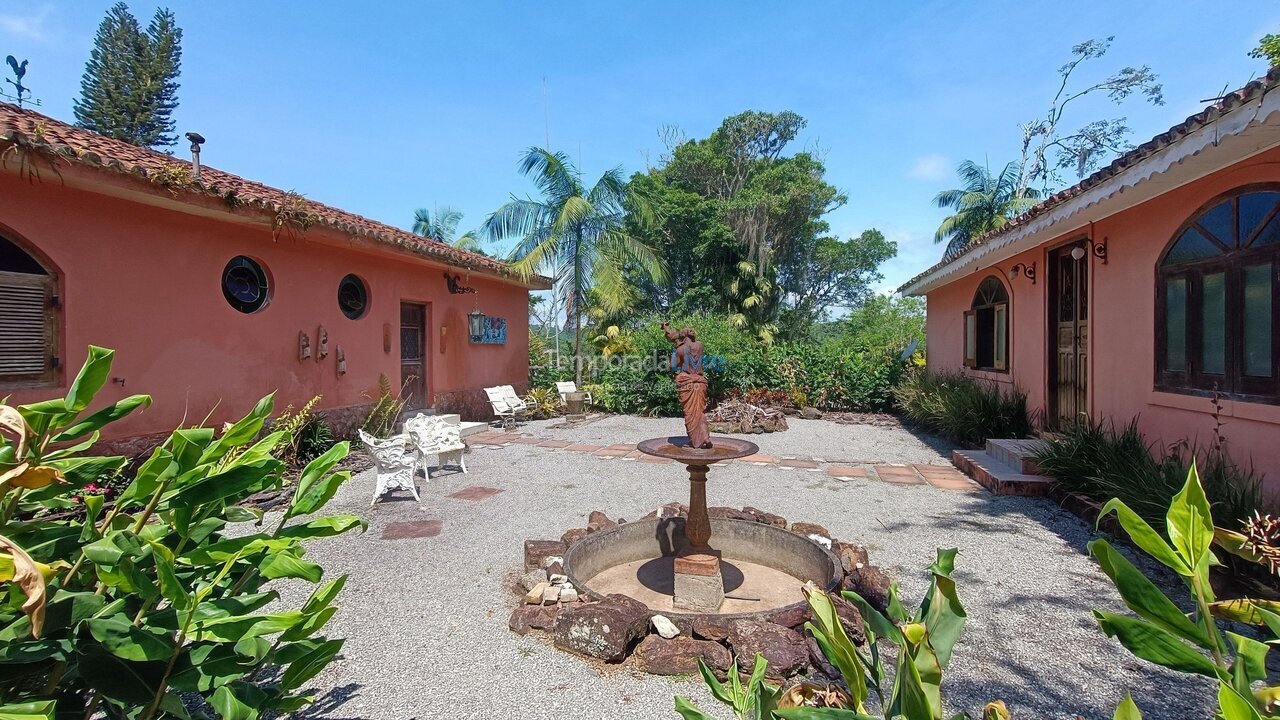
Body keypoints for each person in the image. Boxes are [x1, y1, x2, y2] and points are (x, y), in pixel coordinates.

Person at [662, 322, 712, 449]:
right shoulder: (700, 345)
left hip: (687, 381)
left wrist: (675, 349)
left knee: (690, 413)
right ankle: (705, 436)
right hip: (700, 381)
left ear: (682, 337)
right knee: (700, 411)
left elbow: (674, 365)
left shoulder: (680, 349)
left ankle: (695, 441)